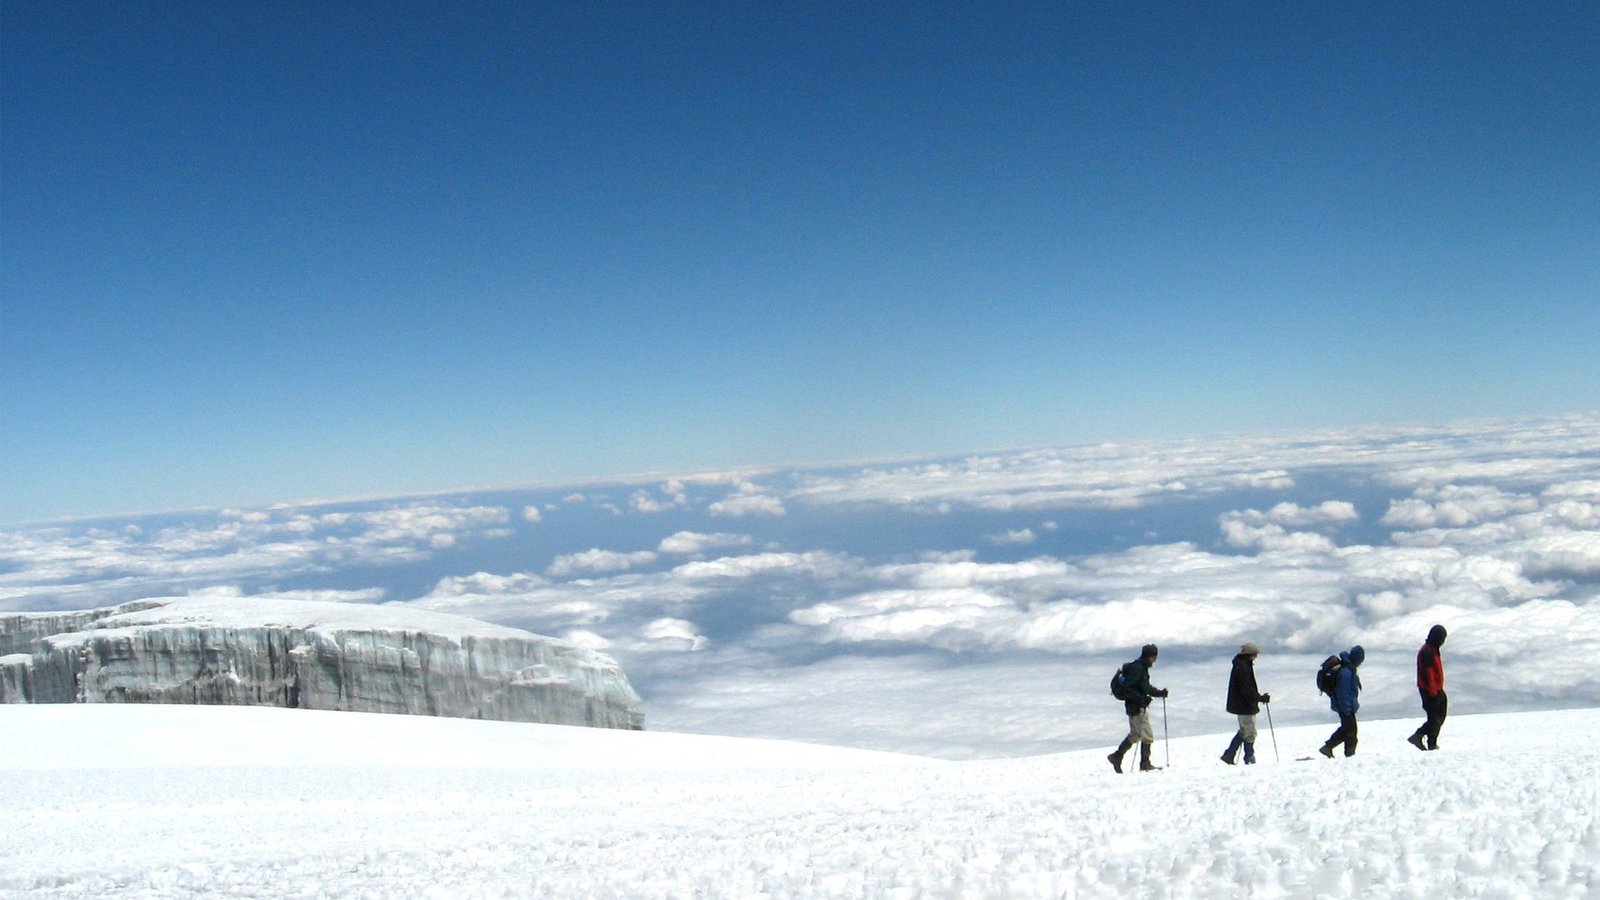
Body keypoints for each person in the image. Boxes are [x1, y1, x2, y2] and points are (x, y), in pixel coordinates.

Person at [1109, 644, 1169, 773]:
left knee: (1135, 735)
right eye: (1154, 656)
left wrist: (1159, 693)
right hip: (1136, 707)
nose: (1155, 659)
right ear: (1150, 656)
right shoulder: (1138, 669)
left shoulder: (1140, 668)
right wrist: (1142, 700)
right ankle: (1145, 764)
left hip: (1133, 707)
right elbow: (1129, 688)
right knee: (1147, 735)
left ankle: (1117, 756)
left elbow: (1144, 687)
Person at [1221, 642, 1270, 765]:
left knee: (1246, 731)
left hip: (1242, 704)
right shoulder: (1243, 667)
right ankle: (1246, 757)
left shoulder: (1242, 665)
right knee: (1249, 732)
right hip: (1244, 705)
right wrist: (1259, 698)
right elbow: (1247, 688)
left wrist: (1257, 698)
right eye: (1255, 654)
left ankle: (1232, 754)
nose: (1256, 657)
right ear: (1250, 655)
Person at [1318, 645, 1364, 758]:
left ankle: (1328, 748)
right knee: (1351, 732)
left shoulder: (1348, 669)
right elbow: (1343, 694)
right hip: (1345, 707)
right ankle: (1349, 755)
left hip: (1345, 707)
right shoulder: (1346, 672)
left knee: (1347, 729)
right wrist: (1347, 709)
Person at [1408, 625, 1448, 751]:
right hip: (1429, 690)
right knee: (1435, 718)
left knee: (1439, 716)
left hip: (1437, 688)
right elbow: (1428, 673)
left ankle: (1421, 737)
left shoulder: (1434, 649)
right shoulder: (1427, 651)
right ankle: (1428, 741)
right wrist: (1433, 692)